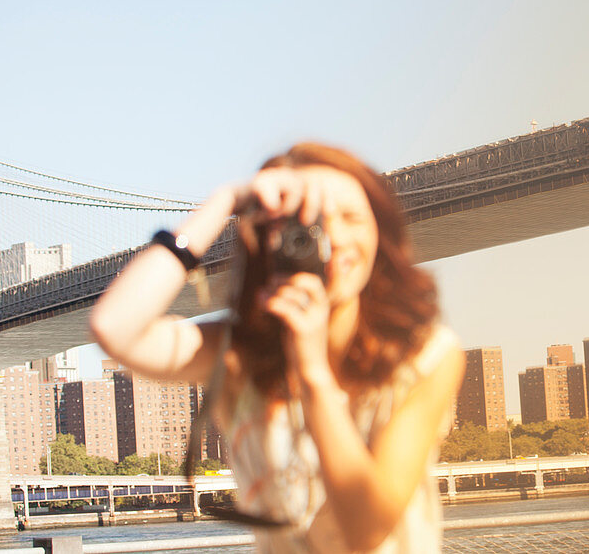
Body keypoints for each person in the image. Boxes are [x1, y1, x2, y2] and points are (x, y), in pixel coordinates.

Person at [90, 143, 463, 553]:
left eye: (352, 217)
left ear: (379, 230)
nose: (333, 238)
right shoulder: (235, 354)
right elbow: (114, 327)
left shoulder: (426, 355)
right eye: (309, 222)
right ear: (267, 241)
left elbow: (367, 532)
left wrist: (312, 372)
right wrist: (228, 200)